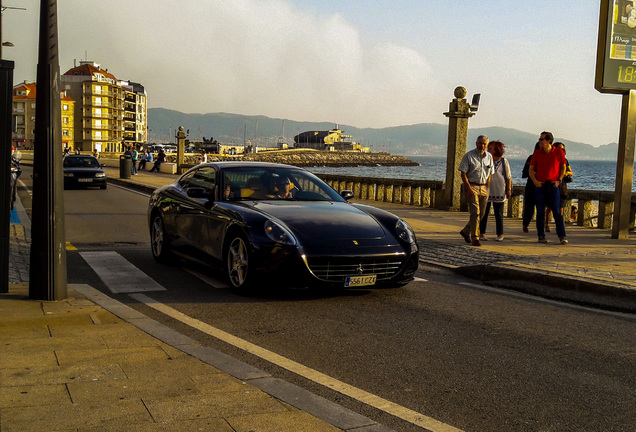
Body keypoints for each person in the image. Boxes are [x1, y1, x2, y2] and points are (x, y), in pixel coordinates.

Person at [529, 131, 568, 244]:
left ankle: (562, 236)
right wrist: (536, 182)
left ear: (548, 141)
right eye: (539, 139)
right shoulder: (537, 153)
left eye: (541, 139)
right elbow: (531, 170)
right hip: (540, 185)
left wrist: (559, 180)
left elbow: (563, 167)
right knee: (540, 211)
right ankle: (541, 235)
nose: (539, 141)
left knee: (556, 210)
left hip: (553, 185)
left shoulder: (558, 152)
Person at [458, 135, 494, 247]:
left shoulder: (489, 157)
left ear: (486, 145)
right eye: (480, 143)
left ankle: (465, 231)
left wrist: (488, 187)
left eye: (484, 144)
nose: (482, 145)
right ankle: (475, 237)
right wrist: (468, 188)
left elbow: (490, 173)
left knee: (482, 213)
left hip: (483, 187)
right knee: (475, 212)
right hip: (472, 185)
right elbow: (463, 173)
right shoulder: (469, 156)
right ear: (476, 143)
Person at [479, 141, 512, 242]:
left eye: (490, 148)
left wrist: (509, 189)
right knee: (484, 213)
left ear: (496, 150)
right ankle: (481, 233)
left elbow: (508, 177)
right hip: (487, 189)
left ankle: (500, 234)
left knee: (499, 213)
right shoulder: (486, 160)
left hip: (499, 190)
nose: (488, 150)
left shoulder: (503, 161)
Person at [545, 142, 573, 232]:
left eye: (563, 149)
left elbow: (571, 172)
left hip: (562, 186)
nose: (562, 151)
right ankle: (546, 223)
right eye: (560, 149)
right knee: (550, 207)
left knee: (561, 207)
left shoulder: (565, 160)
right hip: (552, 185)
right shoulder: (551, 158)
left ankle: (558, 226)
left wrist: (565, 173)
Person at [521, 142, 540, 233]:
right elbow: (525, 172)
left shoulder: (531, 157)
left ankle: (528, 225)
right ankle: (526, 224)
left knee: (535, 207)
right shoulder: (531, 158)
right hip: (532, 185)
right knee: (530, 207)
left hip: (537, 185)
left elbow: (524, 173)